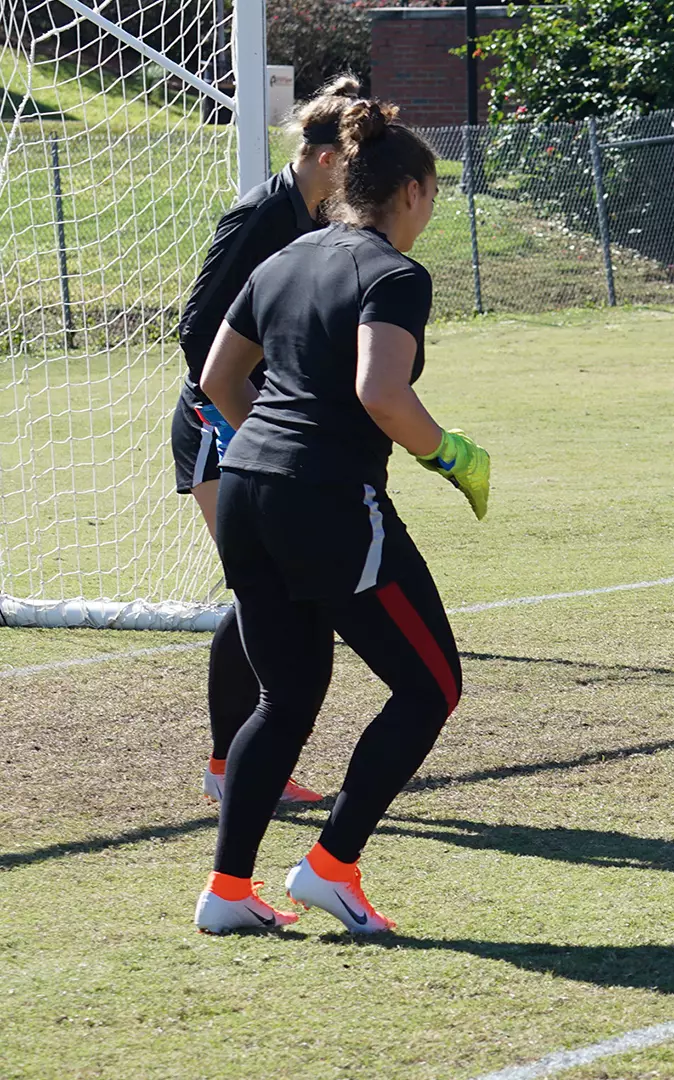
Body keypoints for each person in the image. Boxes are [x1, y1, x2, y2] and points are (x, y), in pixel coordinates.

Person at [191, 97, 491, 935]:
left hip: (246, 486)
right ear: (411, 191)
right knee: (430, 684)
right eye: (433, 194)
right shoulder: (394, 274)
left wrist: (275, 451)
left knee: (284, 698)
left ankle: (226, 892)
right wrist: (450, 455)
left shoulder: (285, 259)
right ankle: (329, 866)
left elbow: (219, 380)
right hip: (324, 500)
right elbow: (380, 394)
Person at [174, 74, 363, 807]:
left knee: (275, 587)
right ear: (322, 158)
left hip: (271, 426)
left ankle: (247, 763)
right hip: (215, 421)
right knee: (262, 589)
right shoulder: (260, 214)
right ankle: (231, 768)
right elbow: (196, 331)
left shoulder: (326, 221)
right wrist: (238, 417)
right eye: (354, 161)